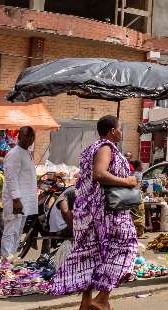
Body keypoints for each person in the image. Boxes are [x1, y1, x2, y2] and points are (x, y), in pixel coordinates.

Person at [50, 116, 139, 310]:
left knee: (93, 256)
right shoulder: (105, 147)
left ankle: (86, 302)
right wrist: (128, 181)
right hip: (108, 212)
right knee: (127, 249)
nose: (121, 131)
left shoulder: (93, 148)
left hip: (91, 212)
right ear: (112, 131)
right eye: (119, 128)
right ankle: (102, 297)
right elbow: (99, 173)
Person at [0, 126, 38, 259]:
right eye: (27, 136)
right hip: (15, 201)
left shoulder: (26, 152)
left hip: (24, 201)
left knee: (18, 232)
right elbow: (11, 178)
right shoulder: (14, 154)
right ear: (19, 136)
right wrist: (16, 200)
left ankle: (12, 259)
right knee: (10, 232)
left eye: (32, 136)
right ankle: (5, 261)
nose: (30, 139)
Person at [130, 160, 147, 237]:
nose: (142, 167)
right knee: (140, 214)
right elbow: (138, 186)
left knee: (133, 214)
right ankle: (140, 233)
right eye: (141, 165)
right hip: (137, 195)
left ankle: (133, 232)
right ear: (138, 166)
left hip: (130, 195)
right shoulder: (139, 174)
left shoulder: (131, 173)